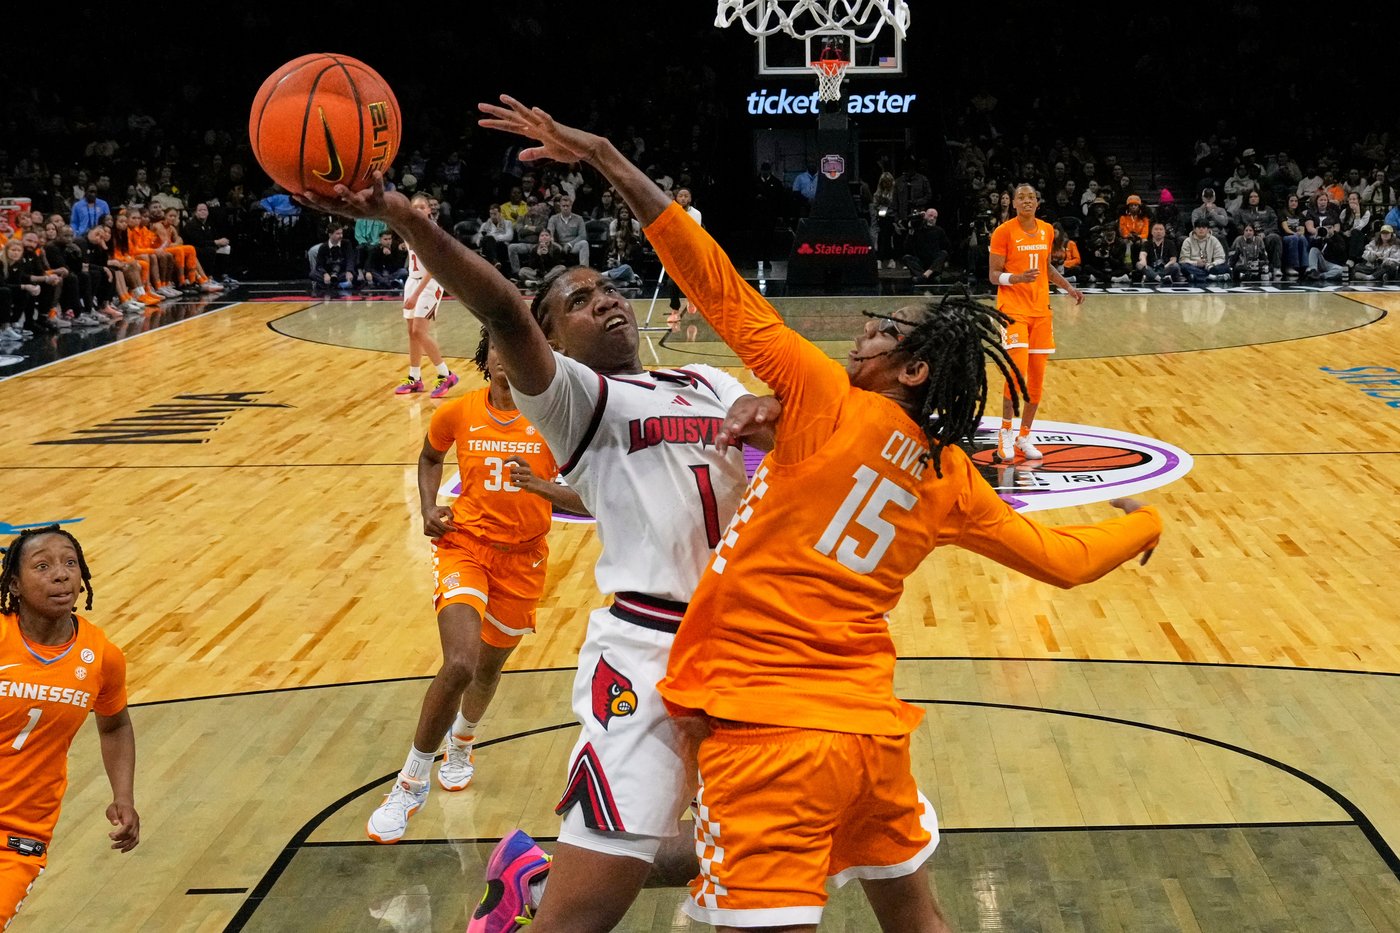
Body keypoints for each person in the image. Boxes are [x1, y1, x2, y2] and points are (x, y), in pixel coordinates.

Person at [475, 99, 1161, 933]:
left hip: (766, 722)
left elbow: (712, 280)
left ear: (909, 373)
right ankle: (549, 879)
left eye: (882, 332)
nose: (863, 333)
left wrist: (612, 160)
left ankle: (543, 886)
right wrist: (1143, 525)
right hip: (871, 729)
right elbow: (1063, 557)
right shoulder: (950, 476)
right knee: (917, 918)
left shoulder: (822, 394)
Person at [299, 112, 782, 932]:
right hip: (648, 648)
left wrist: (783, 413)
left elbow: (774, 439)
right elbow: (504, 311)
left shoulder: (703, 379)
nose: (606, 301)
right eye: (579, 301)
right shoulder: (577, 399)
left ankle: (533, 868)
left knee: (752, 843)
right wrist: (410, 220)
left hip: (745, 638)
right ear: (551, 338)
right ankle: (540, 881)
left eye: (608, 287)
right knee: (585, 917)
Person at [367, 328, 585, 843]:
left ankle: (463, 742)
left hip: (524, 559)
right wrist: (426, 507)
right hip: (464, 546)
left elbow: (589, 497)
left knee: (487, 669)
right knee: (460, 663)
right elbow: (428, 456)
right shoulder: (458, 412)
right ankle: (410, 781)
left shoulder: (555, 421)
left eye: (518, 348)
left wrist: (542, 487)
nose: (508, 357)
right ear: (487, 357)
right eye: (499, 348)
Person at [0, 526, 140, 927]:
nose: (60, 574)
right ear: (15, 583)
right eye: (42, 566)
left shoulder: (101, 657)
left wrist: (124, 796)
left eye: (69, 563)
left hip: (18, 835)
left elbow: (114, 726)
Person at [987, 184, 1085, 463]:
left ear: (1037, 203)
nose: (1027, 201)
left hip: (1041, 312)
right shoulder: (1003, 232)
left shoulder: (1046, 230)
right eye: (1021, 197)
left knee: (1037, 381)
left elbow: (1046, 268)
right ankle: (1005, 431)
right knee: (1015, 374)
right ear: (1015, 203)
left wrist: (1068, 287)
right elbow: (994, 276)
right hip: (1013, 310)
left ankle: (1024, 436)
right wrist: (1016, 279)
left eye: (1031, 197)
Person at [396, 194, 459, 398]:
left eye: (422, 207)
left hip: (430, 283)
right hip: (412, 280)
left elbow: (433, 267)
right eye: (415, 207)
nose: (419, 210)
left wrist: (415, 294)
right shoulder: (408, 229)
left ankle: (445, 374)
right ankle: (415, 377)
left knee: (419, 331)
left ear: (429, 210)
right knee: (411, 332)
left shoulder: (432, 232)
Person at [1179, 219, 1231, 284]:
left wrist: (1212, 264)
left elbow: (1221, 258)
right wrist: (1196, 263)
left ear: (1208, 229)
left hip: (1210, 267)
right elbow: (1183, 260)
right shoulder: (1188, 241)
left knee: (1225, 267)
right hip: (1194, 267)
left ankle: (1200, 277)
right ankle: (1211, 277)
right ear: (1194, 229)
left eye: (1203, 227)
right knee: (1184, 267)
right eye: (1198, 227)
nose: (1201, 229)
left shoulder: (1214, 240)